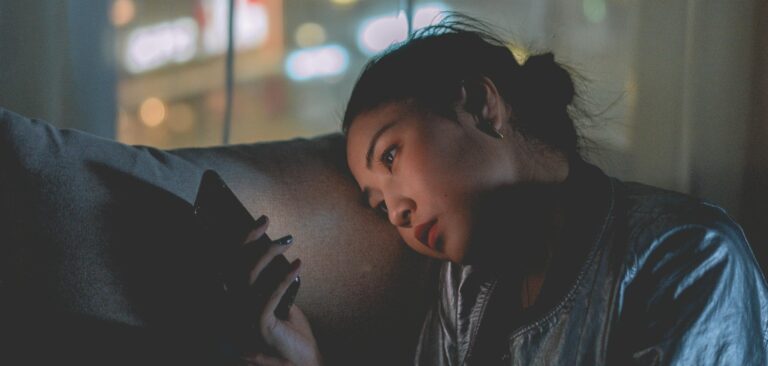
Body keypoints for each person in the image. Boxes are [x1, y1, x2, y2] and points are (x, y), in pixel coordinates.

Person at [240, 14, 768, 365]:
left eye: (391, 156)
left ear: (480, 104)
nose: (396, 213)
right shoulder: (463, 290)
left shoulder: (690, 256)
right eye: (378, 204)